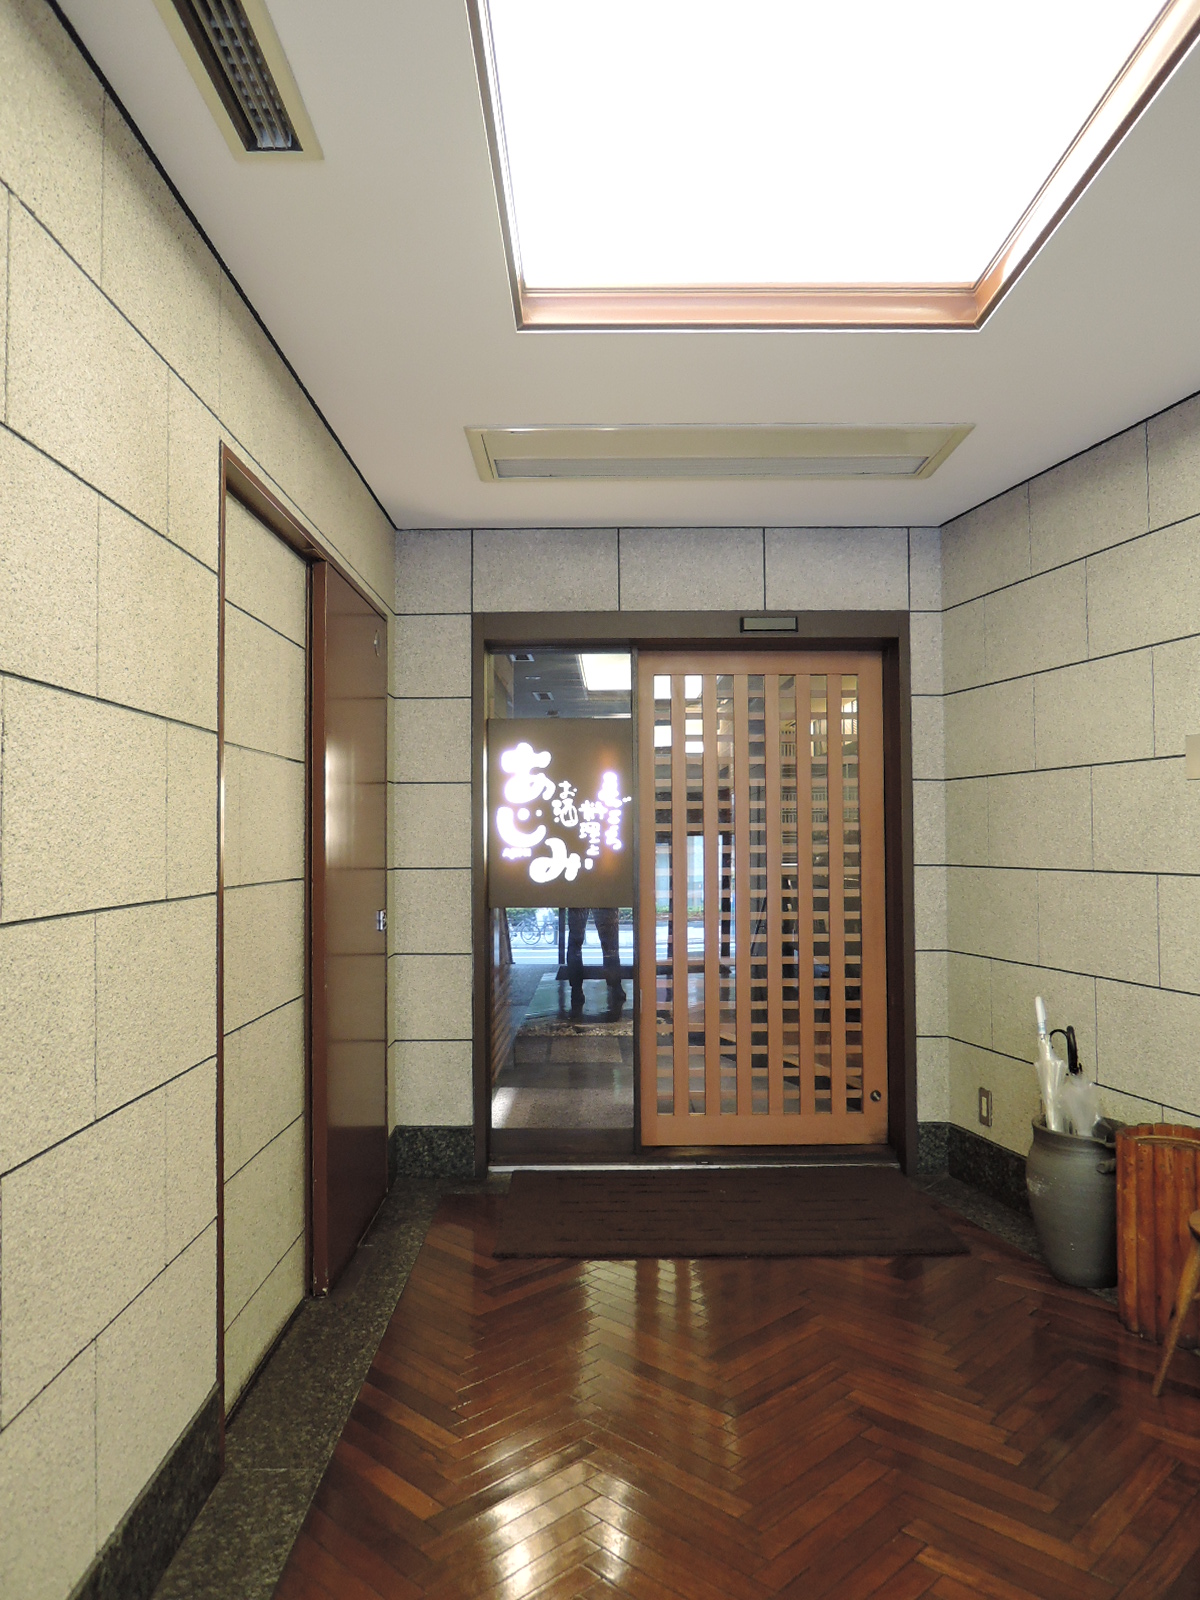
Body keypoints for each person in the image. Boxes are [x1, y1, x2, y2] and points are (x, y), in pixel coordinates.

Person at [566, 906, 625, 1013]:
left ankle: (576, 989)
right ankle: (615, 986)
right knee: (610, 945)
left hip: (578, 897)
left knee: (575, 943)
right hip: (603, 898)